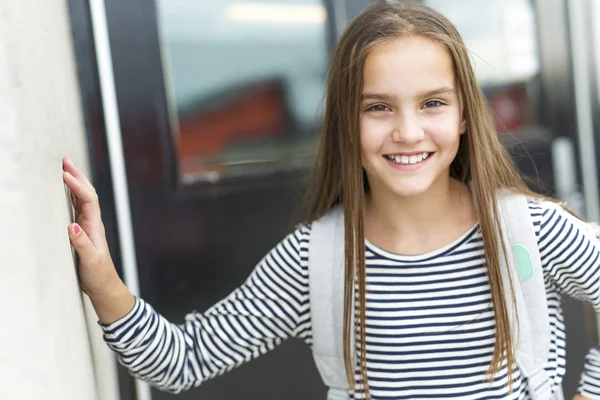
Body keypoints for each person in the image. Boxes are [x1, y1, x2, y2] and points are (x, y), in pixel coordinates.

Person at [62, 2, 600, 399]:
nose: (408, 131)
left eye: (432, 103)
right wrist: (101, 276)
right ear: (347, 121)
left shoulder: (528, 231)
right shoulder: (314, 261)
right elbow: (183, 360)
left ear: (464, 115)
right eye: (378, 108)